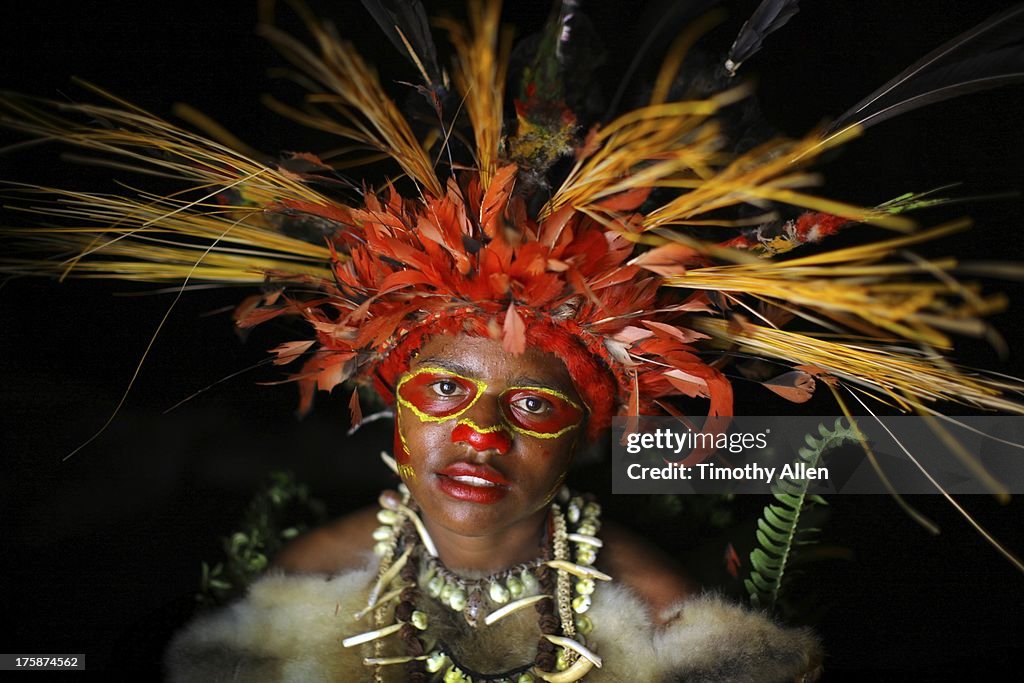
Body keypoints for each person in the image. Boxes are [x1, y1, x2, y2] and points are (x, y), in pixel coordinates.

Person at [4, 1, 1023, 681]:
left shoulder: (657, 586)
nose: (481, 436)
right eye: (443, 392)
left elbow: (919, 457)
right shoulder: (310, 569)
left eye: (533, 405)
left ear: (587, 435)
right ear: (394, 416)